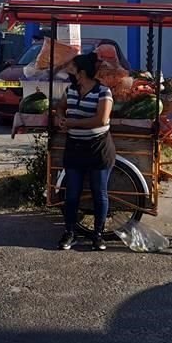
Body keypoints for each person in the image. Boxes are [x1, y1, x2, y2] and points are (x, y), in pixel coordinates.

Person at [56, 52, 117, 252]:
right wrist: (59, 118)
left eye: (73, 69)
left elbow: (102, 120)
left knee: (99, 193)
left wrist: (74, 123)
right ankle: (70, 232)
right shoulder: (71, 89)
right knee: (71, 194)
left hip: (98, 149)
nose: (70, 72)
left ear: (81, 72)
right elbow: (60, 107)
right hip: (74, 148)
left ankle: (98, 235)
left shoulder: (103, 92)